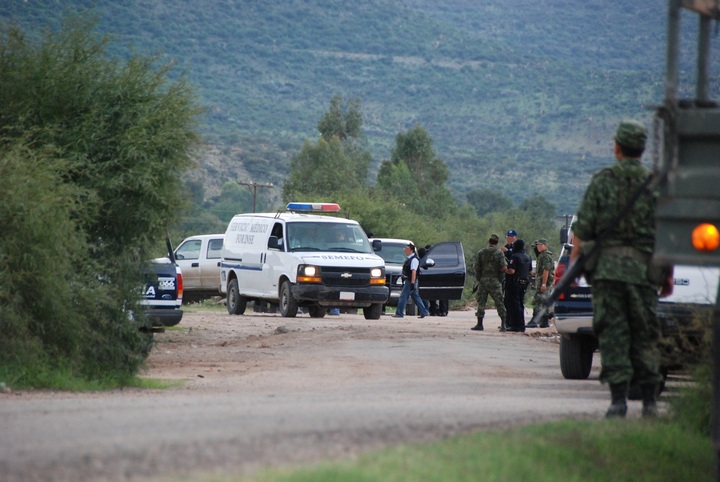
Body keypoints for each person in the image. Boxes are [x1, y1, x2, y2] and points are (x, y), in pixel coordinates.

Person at [571, 119, 674, 419]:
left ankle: (618, 400)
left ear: (616, 148)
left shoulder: (602, 181)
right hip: (644, 274)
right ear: (641, 150)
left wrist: (574, 270)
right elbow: (666, 236)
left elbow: (584, 229)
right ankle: (651, 402)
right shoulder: (656, 185)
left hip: (608, 274)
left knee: (613, 333)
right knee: (645, 333)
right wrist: (667, 275)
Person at [472, 234, 508, 331]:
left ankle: (480, 324)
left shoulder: (482, 252)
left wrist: (479, 277)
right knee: (499, 302)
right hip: (495, 281)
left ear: (489, 241)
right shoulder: (499, 253)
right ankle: (503, 325)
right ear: (497, 243)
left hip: (483, 280)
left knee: (481, 302)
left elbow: (476, 267)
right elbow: (504, 267)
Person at [393, 243, 430, 318]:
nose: (405, 250)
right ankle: (424, 311)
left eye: (406, 249)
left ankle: (399, 313)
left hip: (410, 281)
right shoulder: (410, 259)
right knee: (415, 297)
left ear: (411, 250)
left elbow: (414, 271)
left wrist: (412, 283)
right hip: (409, 280)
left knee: (403, 297)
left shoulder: (414, 260)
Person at [504, 239, 532, 332]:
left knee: (513, 305)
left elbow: (511, 271)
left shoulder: (514, 257)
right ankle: (521, 325)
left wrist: (504, 269)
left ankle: (516, 326)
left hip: (514, 283)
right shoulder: (528, 257)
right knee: (520, 304)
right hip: (524, 283)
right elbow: (530, 271)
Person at [527, 238, 555, 328]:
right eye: (537, 245)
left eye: (540, 245)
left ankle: (535, 321)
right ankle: (544, 321)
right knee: (543, 301)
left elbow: (546, 270)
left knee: (537, 301)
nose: (538, 247)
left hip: (544, 282)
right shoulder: (543, 255)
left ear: (545, 245)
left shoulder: (545, 256)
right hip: (545, 281)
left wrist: (543, 284)